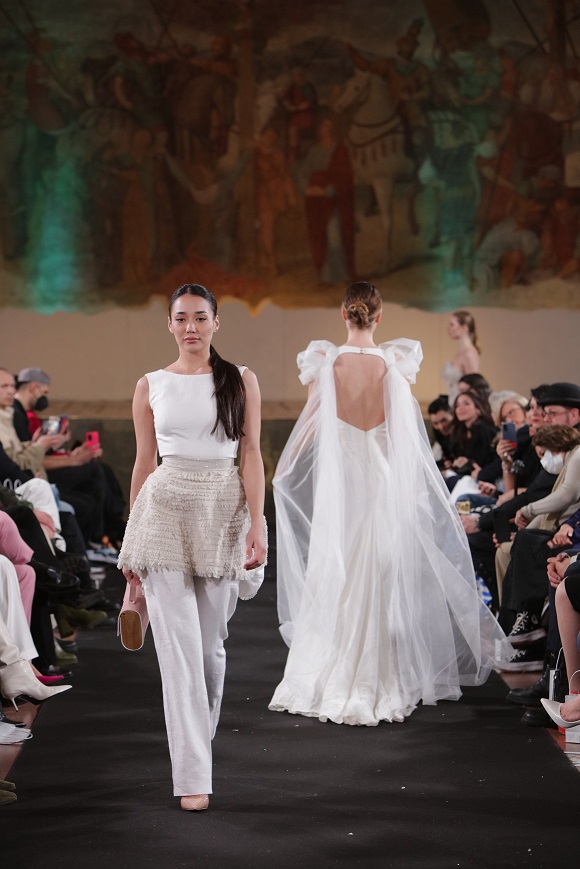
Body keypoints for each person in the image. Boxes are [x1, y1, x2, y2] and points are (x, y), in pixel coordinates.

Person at [269, 281, 510, 727]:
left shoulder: (325, 363)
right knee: (380, 570)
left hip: (342, 482)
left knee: (339, 566)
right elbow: (405, 441)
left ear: (344, 314)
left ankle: (335, 671)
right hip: (379, 477)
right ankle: (380, 675)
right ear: (379, 317)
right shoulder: (394, 366)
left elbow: (311, 428)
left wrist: (283, 474)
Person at [117, 283, 266, 811]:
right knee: (179, 653)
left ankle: (196, 747)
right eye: (181, 318)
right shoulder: (150, 384)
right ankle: (193, 778)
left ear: (216, 323)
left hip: (221, 510)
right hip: (163, 509)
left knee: (208, 650)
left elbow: (251, 453)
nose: (190, 327)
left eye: (200, 317)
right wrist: (132, 537)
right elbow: (143, 463)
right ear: (170, 324)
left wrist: (257, 523)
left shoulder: (240, 379)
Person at [441, 310, 481, 405]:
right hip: (454, 401)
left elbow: (473, 385)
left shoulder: (469, 353)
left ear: (464, 328)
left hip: (461, 404)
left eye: (452, 325)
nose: (448, 328)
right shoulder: (460, 352)